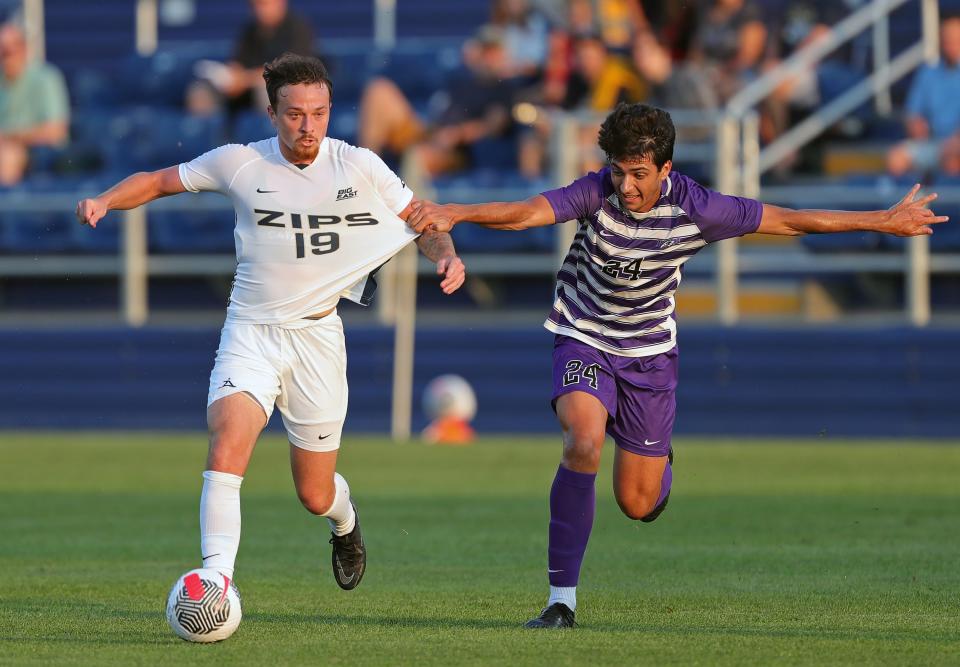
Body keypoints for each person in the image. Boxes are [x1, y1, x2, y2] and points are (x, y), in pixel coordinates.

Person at [406, 103, 947, 629]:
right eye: (619, 172)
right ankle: (561, 602)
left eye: (639, 174)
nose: (626, 186)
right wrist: (458, 211)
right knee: (583, 440)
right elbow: (529, 212)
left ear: (666, 168)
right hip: (583, 335)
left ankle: (657, 458)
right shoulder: (596, 192)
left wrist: (882, 220)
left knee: (638, 504)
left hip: (648, 356)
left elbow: (788, 220)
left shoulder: (699, 208)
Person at [76, 54, 466, 594]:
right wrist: (105, 200)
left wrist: (444, 254)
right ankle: (215, 579)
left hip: (318, 339)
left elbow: (422, 221)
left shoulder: (359, 165)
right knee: (228, 440)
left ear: (331, 111)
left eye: (320, 113)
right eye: (295, 115)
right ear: (272, 113)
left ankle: (345, 522)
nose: (308, 126)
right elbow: (160, 181)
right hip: (251, 331)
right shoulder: (239, 162)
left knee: (314, 493)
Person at [195, 0, 315, 116]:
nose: (259, 10)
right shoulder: (250, 29)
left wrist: (244, 80)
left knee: (268, 92)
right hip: (244, 91)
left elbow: (287, 71)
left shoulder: (298, 29)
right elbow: (237, 63)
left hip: (285, 93)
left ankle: (270, 134)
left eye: (264, 4)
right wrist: (231, 77)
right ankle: (212, 134)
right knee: (201, 93)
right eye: (254, 5)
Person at [887, 13, 960, 178]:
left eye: (956, 39)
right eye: (947, 39)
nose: (951, 44)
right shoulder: (928, 72)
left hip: (955, 145)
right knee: (896, 158)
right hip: (933, 142)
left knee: (952, 160)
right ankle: (907, 203)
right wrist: (915, 124)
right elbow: (913, 112)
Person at [0, 21, 69, 185]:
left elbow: (56, 131)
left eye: (8, 51)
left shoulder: (46, 78)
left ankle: (9, 208)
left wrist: (10, 136)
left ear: (23, 49)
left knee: (7, 156)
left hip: (39, 152)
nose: (5, 57)